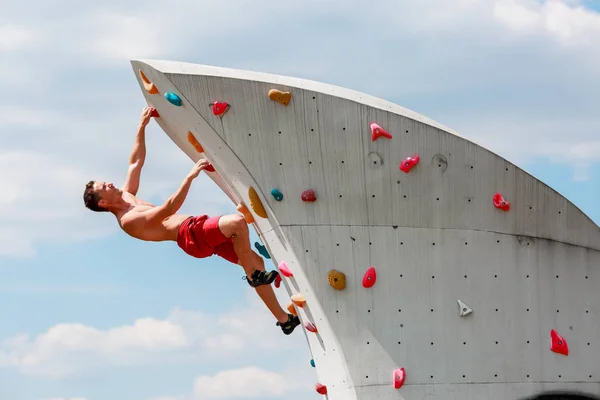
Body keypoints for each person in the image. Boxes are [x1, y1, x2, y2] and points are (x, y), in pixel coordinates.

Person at [82, 106, 300, 335]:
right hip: (190, 235)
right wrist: (190, 176)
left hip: (196, 231)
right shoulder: (128, 220)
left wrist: (142, 126)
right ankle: (253, 276)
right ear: (103, 203)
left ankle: (284, 320)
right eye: (103, 187)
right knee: (236, 223)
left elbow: (135, 161)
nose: (108, 183)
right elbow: (169, 208)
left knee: (255, 261)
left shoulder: (127, 196)